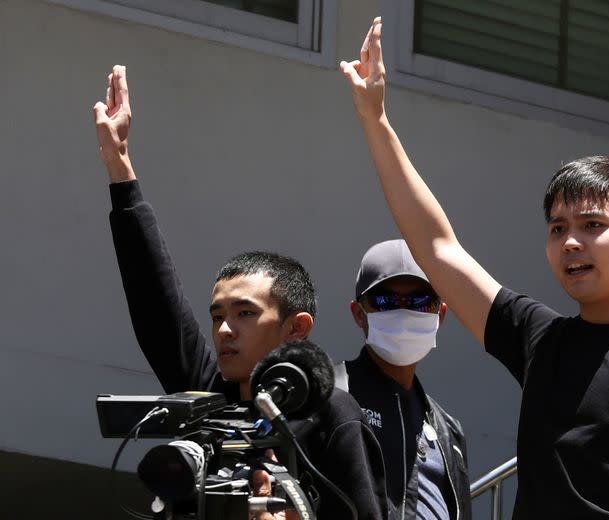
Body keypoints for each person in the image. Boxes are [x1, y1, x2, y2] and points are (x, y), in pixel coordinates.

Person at [339, 18, 609, 520]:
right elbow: (437, 247)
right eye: (556, 228)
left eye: (592, 225)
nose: (570, 242)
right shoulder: (539, 338)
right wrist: (376, 119)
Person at [93, 65, 388, 520]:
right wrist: (120, 167)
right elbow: (156, 303)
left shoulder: (333, 414)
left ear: (297, 329)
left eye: (245, 314)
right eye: (217, 316)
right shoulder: (209, 394)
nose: (225, 329)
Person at [338, 239, 471, 519]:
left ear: (440, 315)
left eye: (420, 302)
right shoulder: (331, 397)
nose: (403, 312)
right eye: (385, 301)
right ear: (358, 314)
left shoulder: (448, 427)